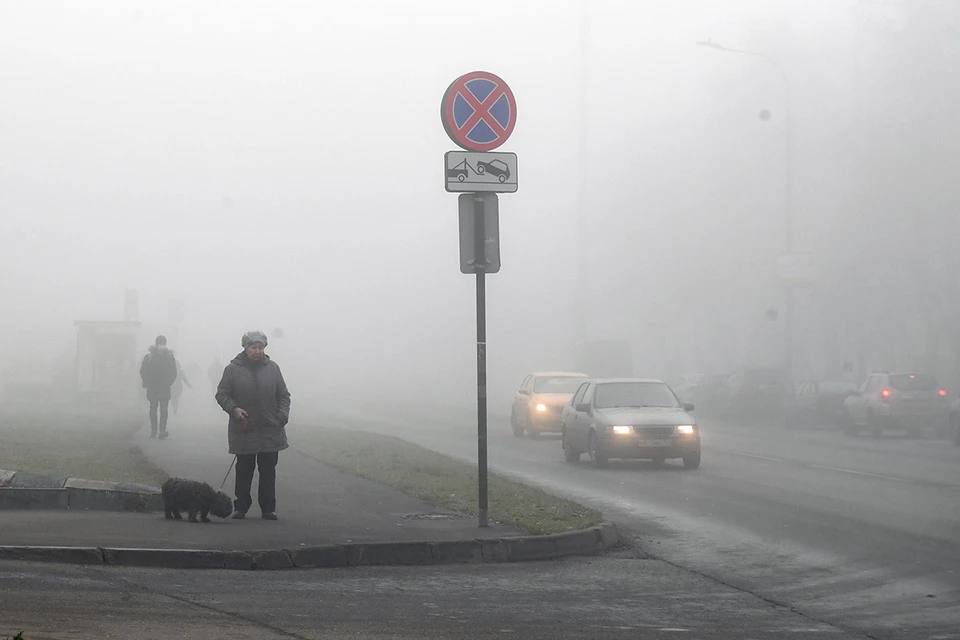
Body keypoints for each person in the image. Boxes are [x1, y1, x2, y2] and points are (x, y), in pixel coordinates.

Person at [215, 330, 291, 520]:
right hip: (244, 428)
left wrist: (282, 415)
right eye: (253, 347)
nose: (258, 351)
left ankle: (268, 508)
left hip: (270, 428)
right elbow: (222, 394)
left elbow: (284, 396)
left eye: (261, 348)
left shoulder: (273, 368)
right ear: (245, 348)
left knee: (268, 471)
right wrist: (234, 410)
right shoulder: (232, 370)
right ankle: (241, 506)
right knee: (244, 469)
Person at [140, 335, 178, 439]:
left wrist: (147, 382)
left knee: (153, 409)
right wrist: (168, 383)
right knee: (163, 410)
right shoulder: (169, 357)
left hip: (152, 388)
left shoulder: (149, 357)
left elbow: (143, 371)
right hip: (164, 388)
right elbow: (174, 373)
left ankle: (154, 431)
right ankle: (161, 430)